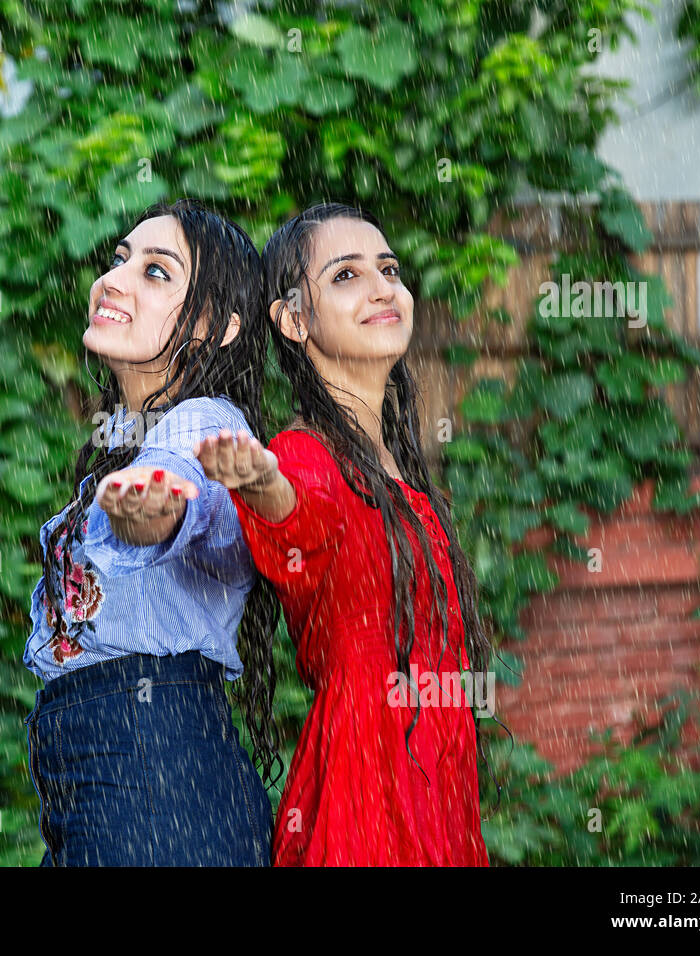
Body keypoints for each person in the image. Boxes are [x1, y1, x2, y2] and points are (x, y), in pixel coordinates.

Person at [194, 202, 493, 866]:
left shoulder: (398, 468)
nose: (383, 287)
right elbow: (299, 512)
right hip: (363, 797)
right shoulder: (303, 455)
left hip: (434, 790)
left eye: (387, 269)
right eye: (347, 276)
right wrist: (261, 485)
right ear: (294, 320)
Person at [22, 199, 281, 866]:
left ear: (215, 328)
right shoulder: (132, 442)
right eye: (119, 259)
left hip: (154, 774)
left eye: (157, 272)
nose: (115, 279)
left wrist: (148, 512)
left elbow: (174, 497)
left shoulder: (200, 423)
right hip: (119, 777)